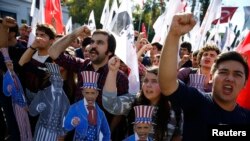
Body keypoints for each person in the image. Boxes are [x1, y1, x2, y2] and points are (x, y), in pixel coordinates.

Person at [158, 13, 250, 141]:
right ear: (212, 76)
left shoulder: (246, 118)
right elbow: (167, 84)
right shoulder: (197, 101)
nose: (230, 78)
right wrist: (174, 35)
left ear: (245, 83)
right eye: (223, 72)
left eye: (237, 74)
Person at [49, 26, 129, 140]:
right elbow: (53, 52)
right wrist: (77, 32)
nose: (93, 46)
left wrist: (105, 135)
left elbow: (119, 113)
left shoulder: (120, 77)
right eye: (92, 42)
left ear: (110, 51)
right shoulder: (81, 65)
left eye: (100, 43)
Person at [103, 56, 182, 141]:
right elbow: (110, 104)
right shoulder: (133, 101)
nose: (148, 85)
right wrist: (112, 71)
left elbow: (178, 136)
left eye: (154, 81)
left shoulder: (175, 108)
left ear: (164, 84)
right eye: (146, 81)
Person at [64, 71, 110, 141]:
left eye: (92, 93)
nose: (90, 96)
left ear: (97, 93)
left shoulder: (100, 113)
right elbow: (66, 126)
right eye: (87, 93)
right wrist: (72, 122)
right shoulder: (75, 108)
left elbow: (107, 133)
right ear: (83, 93)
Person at [29, 63, 70, 141]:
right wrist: (38, 108)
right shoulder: (43, 93)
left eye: (60, 81)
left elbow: (66, 117)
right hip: (42, 131)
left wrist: (64, 132)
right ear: (51, 80)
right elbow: (31, 111)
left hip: (55, 135)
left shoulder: (65, 99)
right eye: (56, 81)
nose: (58, 83)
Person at [1, 48, 32, 141]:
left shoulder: (14, 75)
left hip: (24, 103)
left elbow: (20, 90)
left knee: (27, 125)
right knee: (22, 126)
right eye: (8, 64)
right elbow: (7, 92)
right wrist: (23, 104)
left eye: (11, 64)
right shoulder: (6, 78)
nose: (10, 66)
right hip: (18, 104)